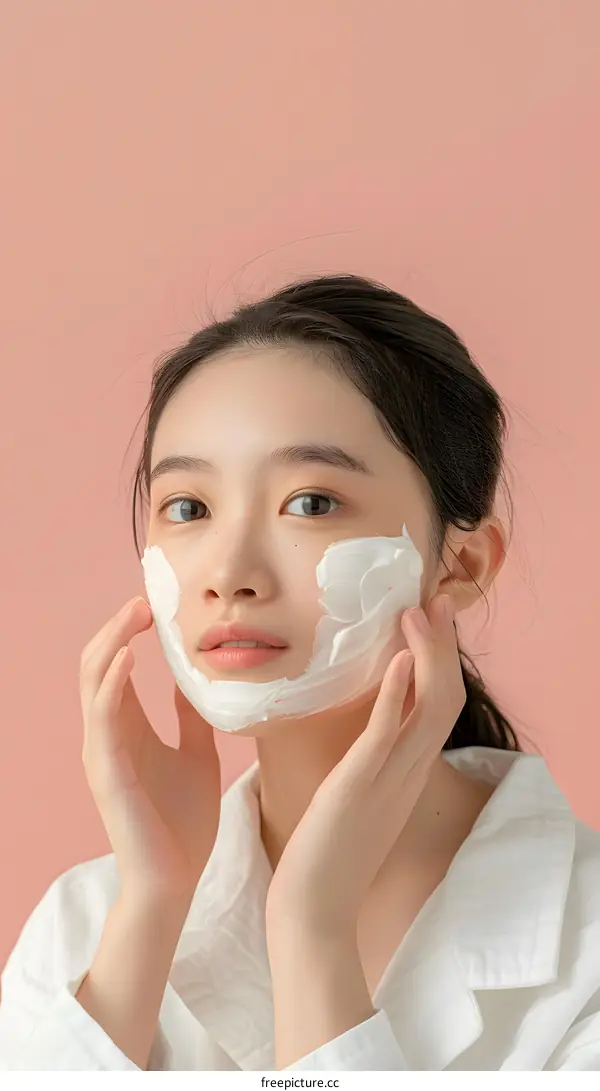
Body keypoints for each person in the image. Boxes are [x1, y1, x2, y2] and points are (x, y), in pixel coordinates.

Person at [1, 275, 599, 1072]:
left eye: (311, 501)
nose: (229, 572)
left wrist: (312, 929)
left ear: (460, 564)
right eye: (188, 508)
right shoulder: (89, 924)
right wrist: (152, 904)